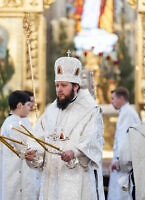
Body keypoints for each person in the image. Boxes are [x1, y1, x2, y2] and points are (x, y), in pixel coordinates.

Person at [25, 56, 105, 200]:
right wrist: (33, 152)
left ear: (75, 86)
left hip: (77, 178)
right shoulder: (51, 111)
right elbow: (38, 137)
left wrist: (74, 152)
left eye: (64, 85)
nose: (59, 90)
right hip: (52, 179)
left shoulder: (91, 110)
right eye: (57, 85)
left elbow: (94, 140)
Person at [0, 90, 39, 200]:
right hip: (16, 175)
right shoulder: (14, 124)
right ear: (20, 105)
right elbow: (25, 148)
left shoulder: (13, 121)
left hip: (17, 172)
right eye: (28, 105)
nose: (30, 109)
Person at [108, 87, 140, 200]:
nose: (111, 102)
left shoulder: (128, 113)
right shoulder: (126, 112)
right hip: (122, 162)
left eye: (113, 98)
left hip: (124, 163)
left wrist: (118, 159)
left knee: (122, 194)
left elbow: (125, 140)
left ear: (121, 98)